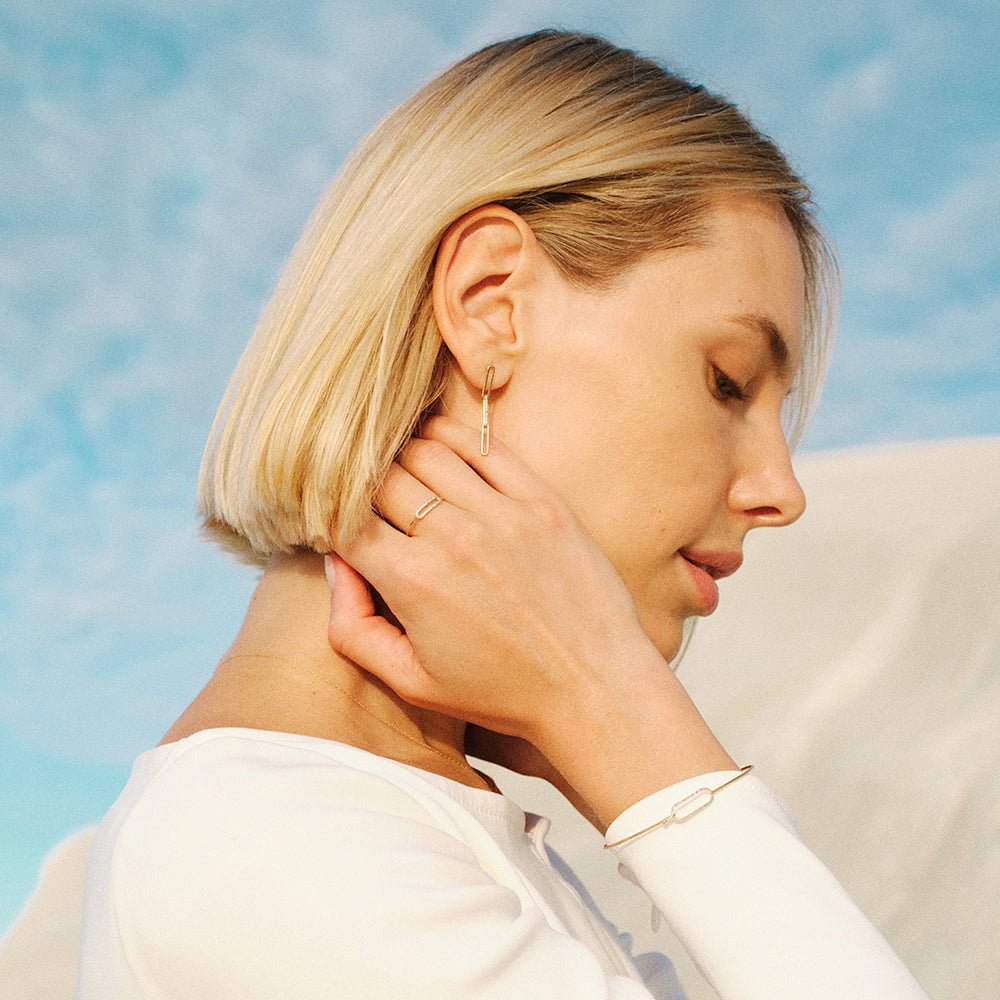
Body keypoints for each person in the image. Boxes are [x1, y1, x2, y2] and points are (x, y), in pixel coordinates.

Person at [76, 30, 928, 999]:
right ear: (490, 304)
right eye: (726, 381)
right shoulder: (275, 850)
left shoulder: (380, 826)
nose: (780, 488)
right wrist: (619, 719)